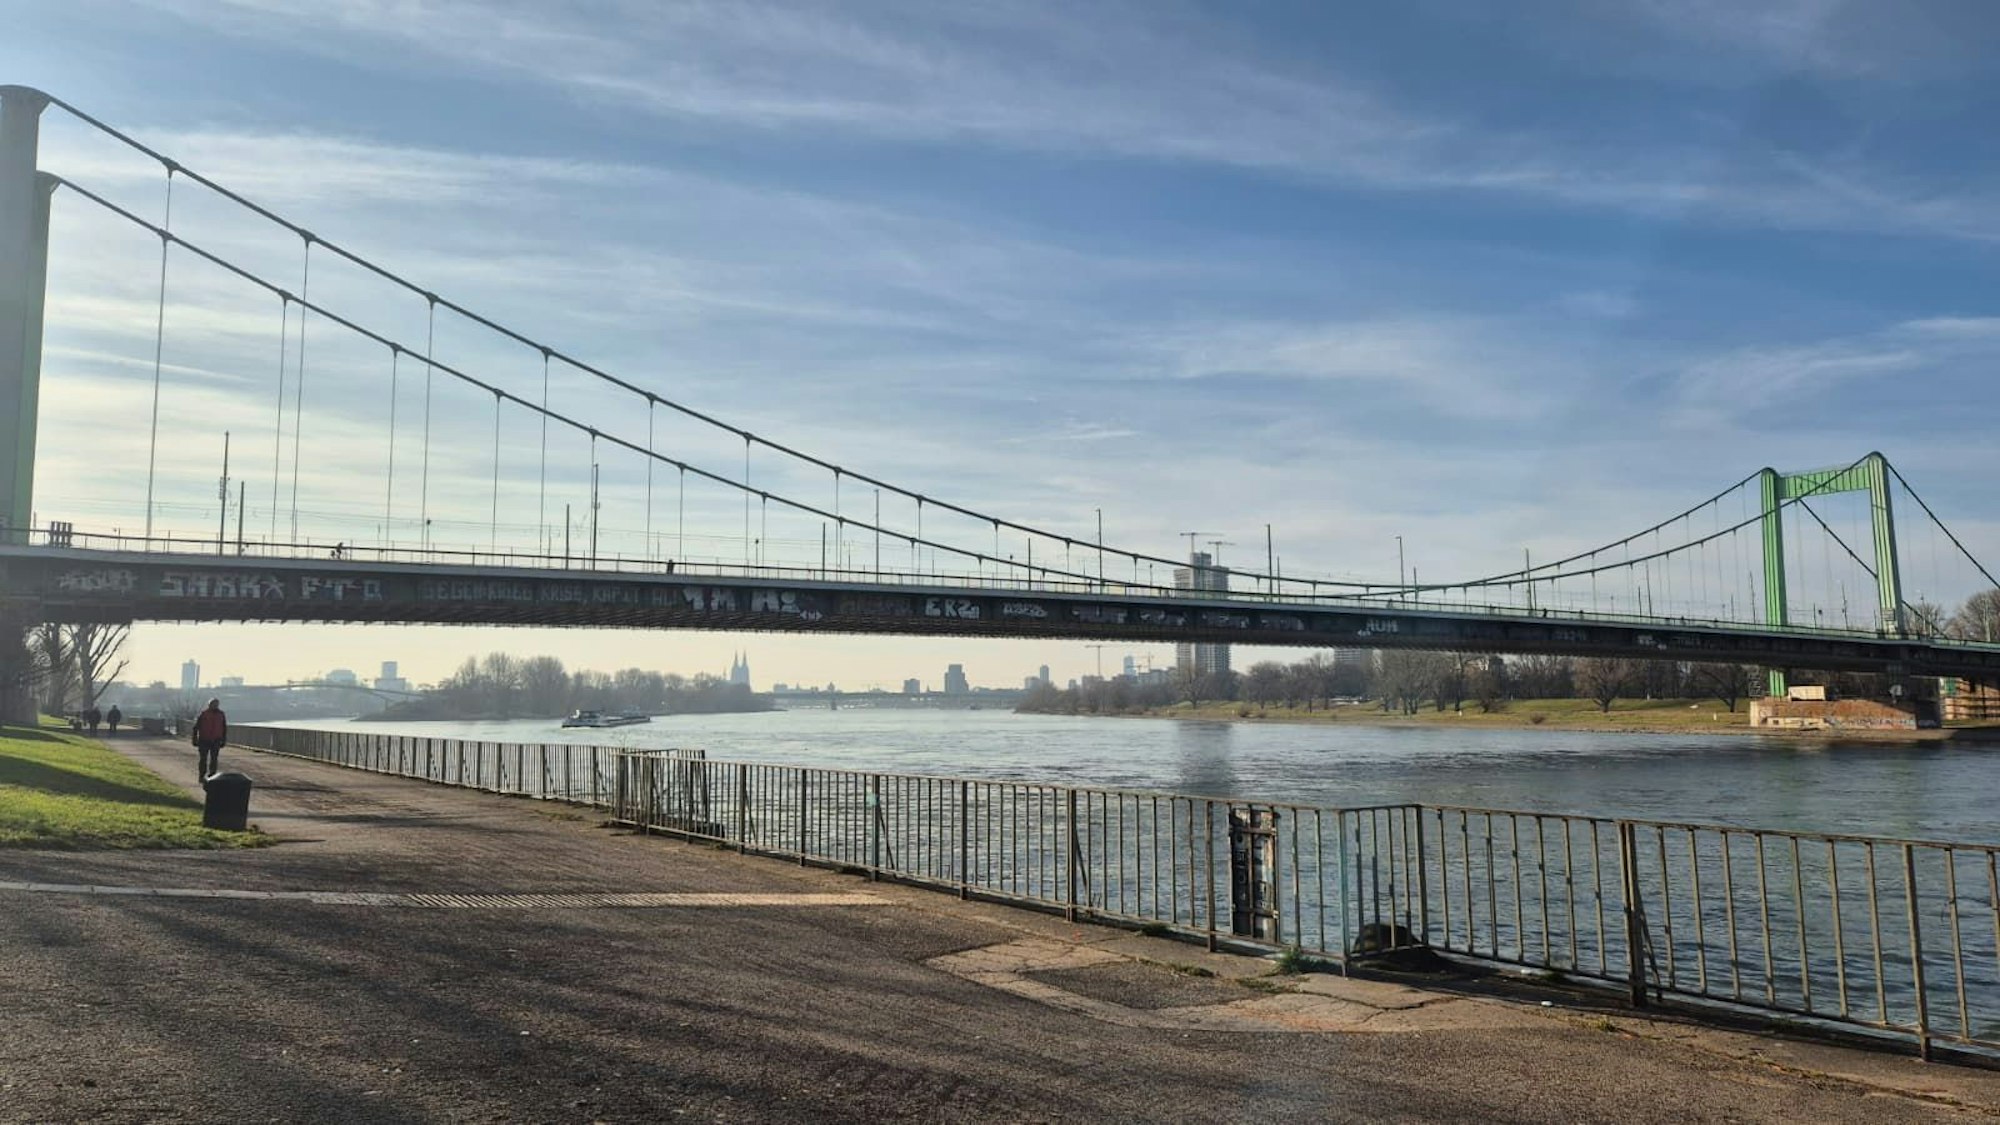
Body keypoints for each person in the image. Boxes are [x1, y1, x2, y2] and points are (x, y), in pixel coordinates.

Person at [191, 698, 228, 781]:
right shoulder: (203, 714)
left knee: (214, 759)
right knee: (203, 759)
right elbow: (196, 727)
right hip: (204, 740)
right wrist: (194, 739)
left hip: (216, 740)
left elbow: (224, 728)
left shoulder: (221, 714)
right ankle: (202, 776)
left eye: (216, 704)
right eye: (213, 704)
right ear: (209, 705)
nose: (214, 706)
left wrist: (223, 740)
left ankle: (212, 776)